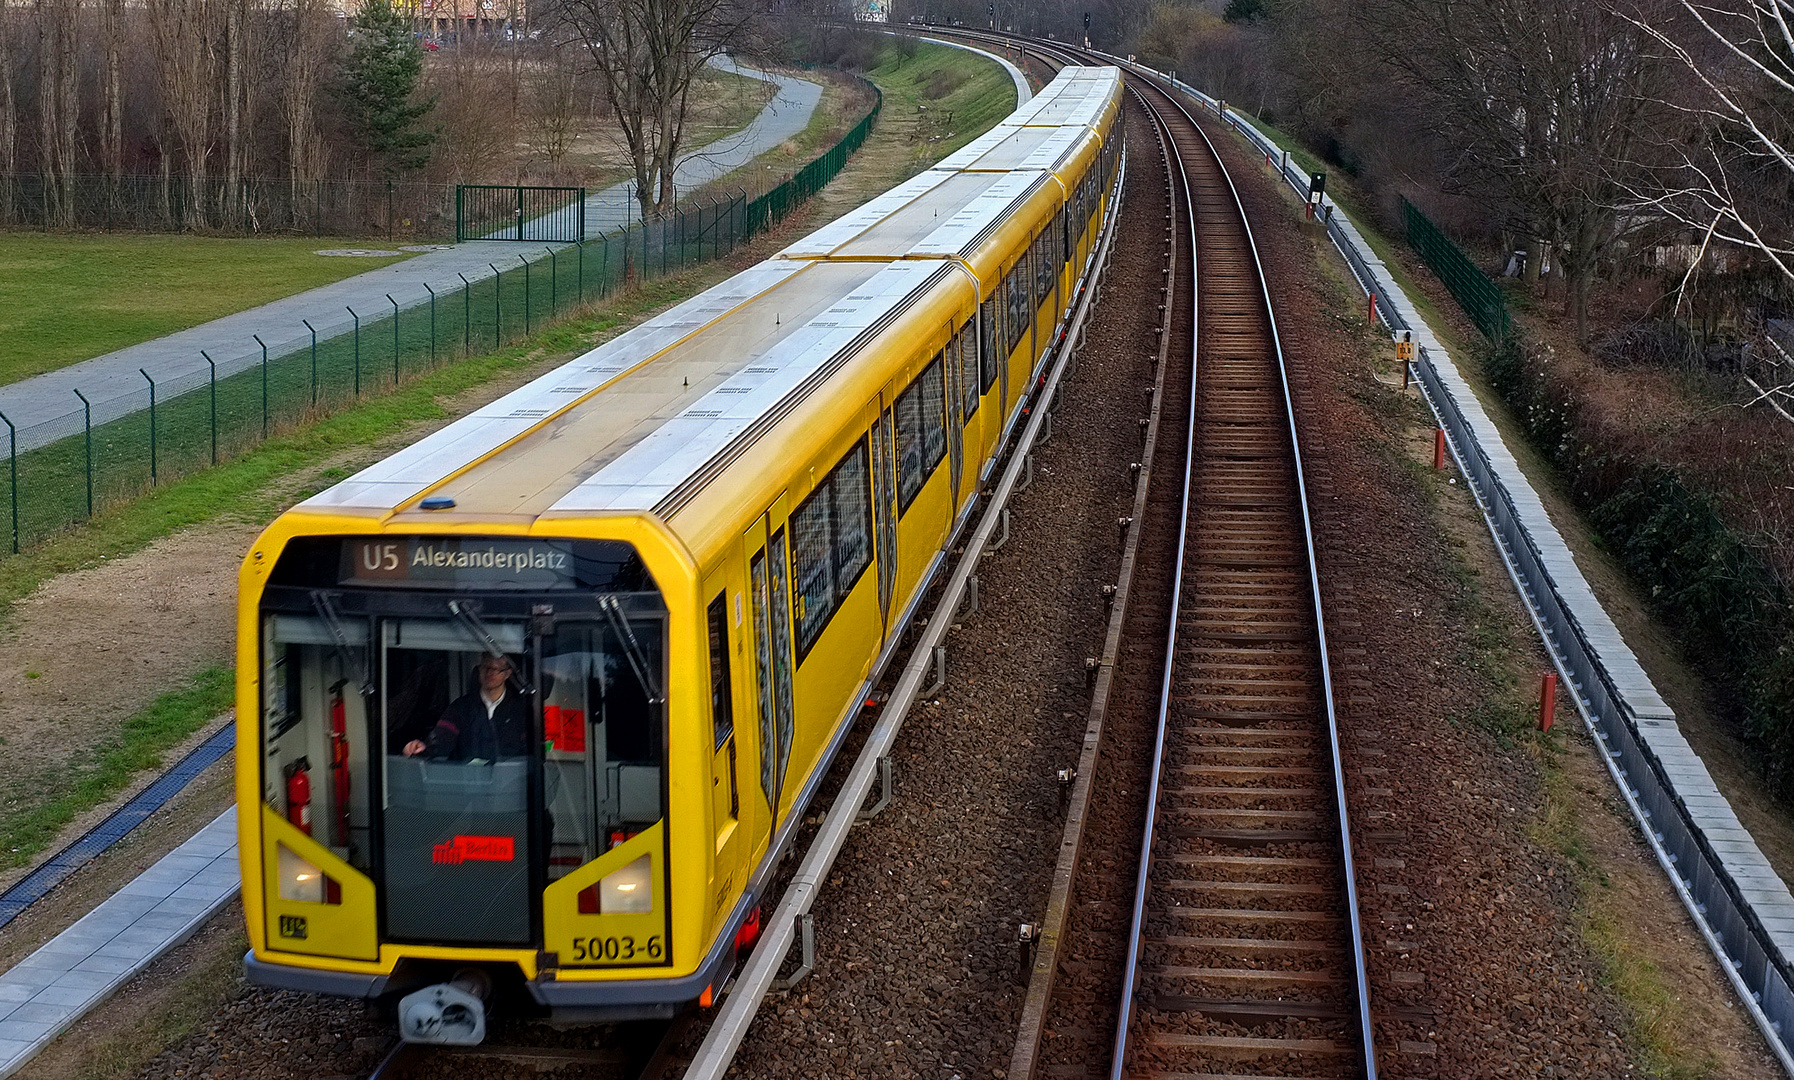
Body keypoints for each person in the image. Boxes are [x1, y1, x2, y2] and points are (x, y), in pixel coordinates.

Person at [403, 654, 532, 761]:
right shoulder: (460, 708)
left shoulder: (520, 711)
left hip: (508, 785)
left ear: (507, 674)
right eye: (485, 667)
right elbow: (440, 740)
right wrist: (422, 747)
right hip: (466, 783)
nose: (489, 673)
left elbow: (529, 753)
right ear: (479, 669)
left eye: (496, 669)